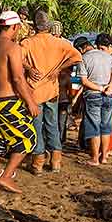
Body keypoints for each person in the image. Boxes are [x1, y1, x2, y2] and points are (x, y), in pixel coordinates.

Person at [0, 10, 36, 193]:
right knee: (28, 138)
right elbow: (18, 79)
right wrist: (30, 102)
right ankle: (5, 176)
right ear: (15, 27)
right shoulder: (12, 48)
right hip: (9, 100)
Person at [22, 10, 79, 175]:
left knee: (36, 126)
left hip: (34, 90)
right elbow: (76, 57)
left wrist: (29, 68)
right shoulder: (59, 43)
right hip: (52, 90)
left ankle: (38, 160)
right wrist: (59, 68)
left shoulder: (27, 43)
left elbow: (16, 58)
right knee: (52, 125)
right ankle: (56, 161)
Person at [78, 33, 112, 164]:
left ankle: (95, 158)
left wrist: (99, 88)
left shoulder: (84, 58)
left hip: (93, 95)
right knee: (106, 126)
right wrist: (109, 87)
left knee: (94, 126)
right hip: (108, 95)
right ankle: (104, 156)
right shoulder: (108, 56)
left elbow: (84, 81)